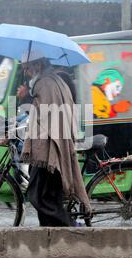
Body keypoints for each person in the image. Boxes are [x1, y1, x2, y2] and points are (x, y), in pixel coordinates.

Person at [18, 50, 91, 227]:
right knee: (50, 196)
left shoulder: (45, 84)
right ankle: (51, 236)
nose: (26, 72)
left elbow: (42, 117)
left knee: (38, 195)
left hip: (49, 149)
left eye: (28, 68)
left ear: (38, 65)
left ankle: (72, 225)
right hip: (55, 144)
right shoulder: (54, 80)